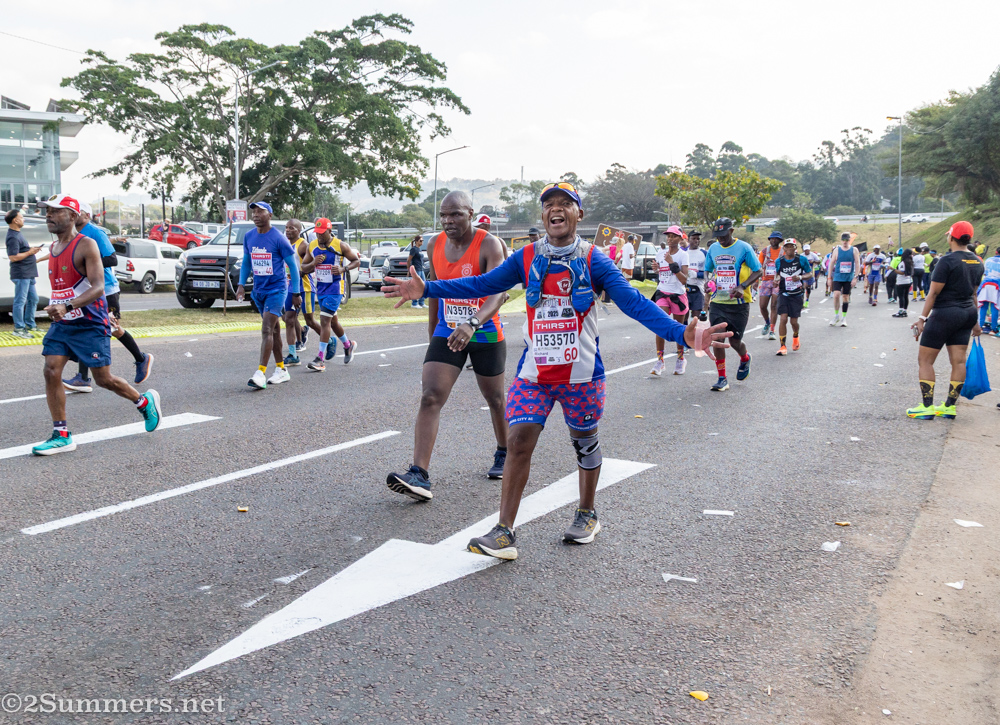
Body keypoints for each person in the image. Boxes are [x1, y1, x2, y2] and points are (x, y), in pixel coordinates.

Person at [382, 182, 731, 559]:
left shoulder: (595, 259)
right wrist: (429, 289)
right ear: (544, 215)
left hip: (581, 374)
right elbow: (483, 284)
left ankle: (587, 512)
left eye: (566, 204)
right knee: (517, 443)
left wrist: (682, 332)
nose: (557, 209)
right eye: (550, 204)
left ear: (579, 214)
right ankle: (504, 531)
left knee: (584, 443)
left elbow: (634, 304)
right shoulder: (527, 256)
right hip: (535, 373)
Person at [386, 191, 509, 496]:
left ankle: (504, 452)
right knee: (430, 396)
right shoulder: (434, 244)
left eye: (455, 214)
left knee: (494, 398)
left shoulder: (489, 245)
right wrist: (433, 338)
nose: (448, 221)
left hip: (484, 331)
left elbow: (499, 293)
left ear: (471, 213)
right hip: (447, 329)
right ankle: (419, 474)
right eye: (443, 215)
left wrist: (473, 323)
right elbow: (433, 289)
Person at [31, 195, 161, 455]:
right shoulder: (54, 248)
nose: (48, 216)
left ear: (72, 215)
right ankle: (62, 434)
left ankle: (143, 401)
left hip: (90, 322)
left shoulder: (86, 244)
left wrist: (67, 305)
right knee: (51, 369)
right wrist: (57, 306)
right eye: (47, 211)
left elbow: (99, 286)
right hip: (64, 324)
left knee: (103, 379)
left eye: (55, 211)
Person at [62, 202, 153, 393]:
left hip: (107, 290)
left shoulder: (95, 233)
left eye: (76, 213)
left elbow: (112, 259)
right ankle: (83, 378)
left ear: (86, 215)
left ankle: (141, 358)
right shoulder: (74, 234)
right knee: (88, 327)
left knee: (112, 329)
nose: (73, 215)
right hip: (86, 290)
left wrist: (86, 262)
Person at [908, 221, 984, 420]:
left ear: (951, 237)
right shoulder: (977, 261)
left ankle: (927, 407)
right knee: (958, 361)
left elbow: (933, 293)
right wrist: (975, 322)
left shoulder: (947, 261)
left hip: (945, 314)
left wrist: (922, 319)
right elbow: (974, 294)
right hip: (968, 313)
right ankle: (949, 407)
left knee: (925, 360)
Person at [235, 201, 302, 389]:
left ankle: (260, 373)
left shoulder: (279, 238)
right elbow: (247, 262)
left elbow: (294, 268)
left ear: (270, 215)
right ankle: (281, 369)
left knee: (266, 329)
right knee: (273, 331)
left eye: (260, 212)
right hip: (259, 291)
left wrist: (295, 292)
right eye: (254, 212)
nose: (256, 215)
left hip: (277, 289)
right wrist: (241, 284)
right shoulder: (249, 237)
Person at [703, 217, 762, 392]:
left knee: (735, 341)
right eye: (718, 235)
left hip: (739, 303)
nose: (721, 238)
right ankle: (722, 378)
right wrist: (707, 282)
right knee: (718, 339)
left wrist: (742, 286)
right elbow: (707, 269)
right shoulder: (713, 248)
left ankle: (744, 358)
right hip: (718, 302)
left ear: (731, 231)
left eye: (723, 234)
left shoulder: (744, 248)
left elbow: (758, 270)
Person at [301, 218, 359, 371]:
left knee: (325, 320)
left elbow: (356, 261)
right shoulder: (312, 246)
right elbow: (304, 267)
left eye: (322, 233)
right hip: (321, 288)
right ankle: (348, 345)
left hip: (335, 288)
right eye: (317, 233)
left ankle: (320, 359)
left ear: (329, 230)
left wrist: (342, 269)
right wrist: (313, 264)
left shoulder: (340, 245)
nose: (319, 236)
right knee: (333, 322)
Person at [650, 226, 689, 375]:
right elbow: (661, 273)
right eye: (668, 236)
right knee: (660, 324)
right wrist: (656, 269)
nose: (670, 239)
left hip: (677, 295)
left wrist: (672, 264)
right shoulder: (661, 253)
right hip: (662, 292)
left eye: (673, 236)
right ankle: (660, 360)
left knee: (678, 329)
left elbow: (684, 280)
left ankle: (680, 359)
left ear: (680, 238)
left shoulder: (682, 255)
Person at [6, 208, 46, 338]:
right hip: (21, 273)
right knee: (20, 301)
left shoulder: (18, 233)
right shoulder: (12, 236)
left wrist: (31, 250)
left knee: (33, 299)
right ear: (15, 220)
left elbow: (21, 251)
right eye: (21, 217)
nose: (23, 219)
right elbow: (13, 257)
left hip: (29, 273)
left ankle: (30, 324)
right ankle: (19, 328)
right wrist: (29, 252)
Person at [773, 238, 812, 355]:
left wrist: (800, 277)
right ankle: (782, 346)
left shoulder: (802, 260)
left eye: (792, 246)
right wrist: (776, 280)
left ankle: (795, 336)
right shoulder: (779, 261)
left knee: (793, 322)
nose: (790, 249)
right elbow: (777, 275)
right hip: (784, 293)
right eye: (787, 246)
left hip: (797, 294)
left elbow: (809, 273)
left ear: (795, 248)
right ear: (784, 248)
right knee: (783, 318)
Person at [281, 219, 306, 367]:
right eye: (286, 228)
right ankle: (294, 350)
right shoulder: (284, 243)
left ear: (298, 230)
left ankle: (327, 341)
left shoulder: (303, 245)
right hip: (286, 285)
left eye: (291, 228)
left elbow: (308, 265)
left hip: (301, 286)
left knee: (295, 319)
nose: (288, 230)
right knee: (287, 318)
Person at [827, 232, 861, 327]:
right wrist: (829, 278)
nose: (845, 242)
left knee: (845, 297)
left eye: (847, 240)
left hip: (848, 277)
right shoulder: (837, 250)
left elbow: (858, 263)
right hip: (838, 276)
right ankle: (836, 315)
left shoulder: (854, 250)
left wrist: (856, 277)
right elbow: (831, 263)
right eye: (843, 240)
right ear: (841, 240)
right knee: (836, 295)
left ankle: (844, 318)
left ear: (849, 240)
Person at [758, 231, 783, 339]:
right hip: (765, 280)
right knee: (763, 306)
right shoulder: (764, 251)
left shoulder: (783, 251)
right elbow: (758, 267)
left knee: (774, 306)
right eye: (772, 238)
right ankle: (767, 322)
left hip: (778, 281)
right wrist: (755, 282)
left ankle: (772, 330)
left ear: (779, 240)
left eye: (776, 238)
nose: (774, 240)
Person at [684, 229, 708, 322]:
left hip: (698, 289)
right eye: (693, 238)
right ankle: (683, 335)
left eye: (698, 239)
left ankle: (695, 335)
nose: (696, 241)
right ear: (688, 240)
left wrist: (697, 274)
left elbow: (708, 273)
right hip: (685, 288)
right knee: (683, 316)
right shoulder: (684, 253)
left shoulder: (704, 253)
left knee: (696, 318)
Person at [977, 246, 1000, 333]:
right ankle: (994, 329)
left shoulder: (988, 260)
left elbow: (985, 272)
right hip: (997, 285)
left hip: (985, 285)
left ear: (995, 252)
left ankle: (980, 326)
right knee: (995, 307)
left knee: (983, 306)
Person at [891, 249, 914, 318]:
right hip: (908, 281)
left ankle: (900, 311)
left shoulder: (903, 262)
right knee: (906, 296)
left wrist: (893, 269)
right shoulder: (911, 262)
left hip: (901, 281)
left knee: (901, 297)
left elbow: (902, 272)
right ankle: (905, 310)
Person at [408, 234, 426, 308]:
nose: (422, 242)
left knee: (424, 286)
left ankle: (421, 302)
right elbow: (409, 260)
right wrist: (409, 269)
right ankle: (414, 303)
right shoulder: (414, 249)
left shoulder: (419, 249)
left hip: (421, 269)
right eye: (420, 241)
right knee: (416, 286)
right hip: (416, 270)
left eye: (422, 241)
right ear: (416, 241)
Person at [802, 243, 821, 309]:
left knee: (808, 287)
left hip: (810, 273)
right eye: (805, 250)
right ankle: (802, 301)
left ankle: (807, 299)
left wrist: (813, 261)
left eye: (808, 250)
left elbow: (819, 261)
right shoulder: (801, 256)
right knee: (804, 286)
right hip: (803, 273)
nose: (807, 251)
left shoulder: (813, 255)